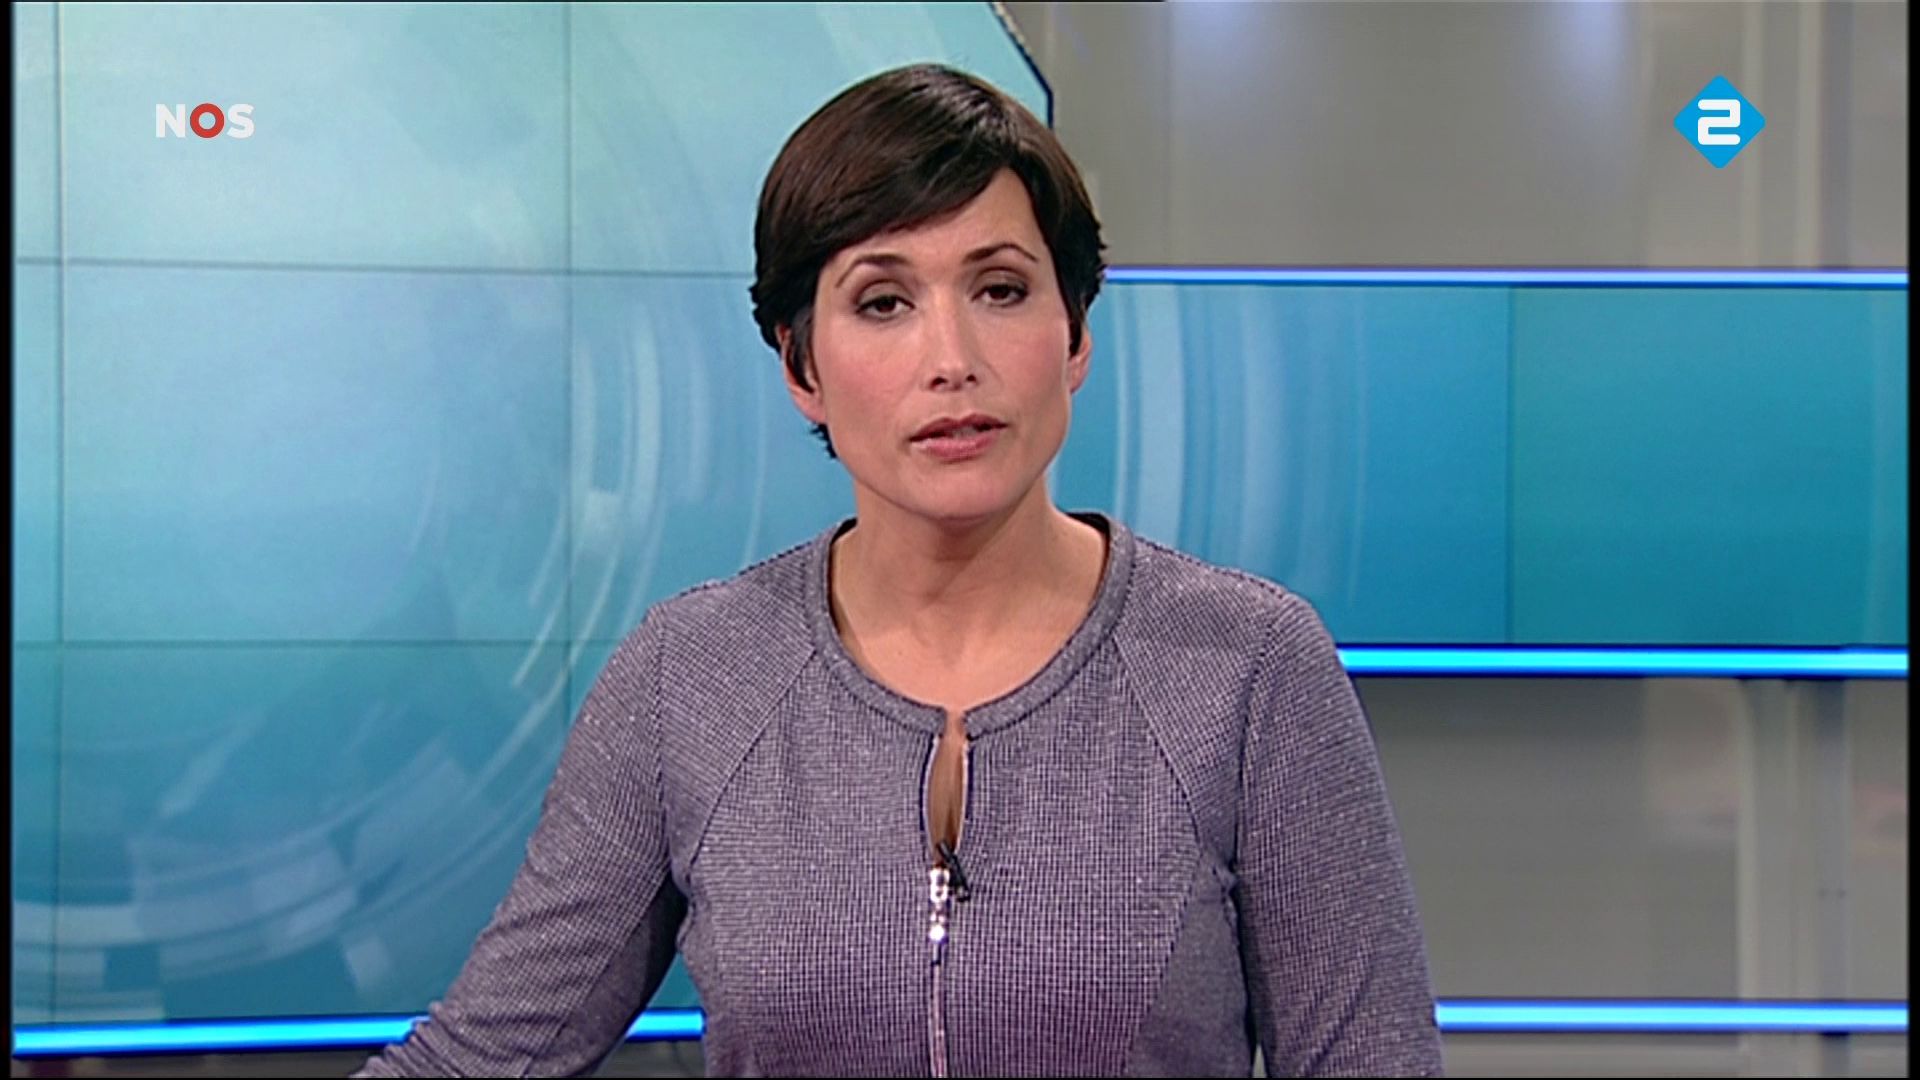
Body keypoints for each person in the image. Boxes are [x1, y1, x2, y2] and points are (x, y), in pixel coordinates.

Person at [354, 63, 1442, 1078]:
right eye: (883, 302)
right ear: (802, 366)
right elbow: (481, 1059)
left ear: (1075, 336)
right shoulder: (691, 677)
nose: (951, 359)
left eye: (1001, 290)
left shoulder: (1247, 668)